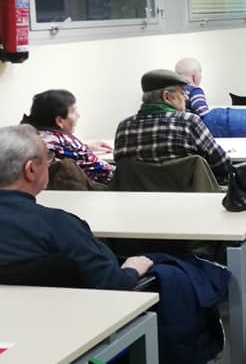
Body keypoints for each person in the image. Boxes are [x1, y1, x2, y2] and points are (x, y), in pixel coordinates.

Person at [0, 124, 153, 288]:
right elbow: (113, 282)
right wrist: (132, 269)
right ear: (30, 170)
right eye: (48, 157)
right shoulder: (58, 225)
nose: (50, 163)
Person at [114, 69, 233, 183]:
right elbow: (223, 165)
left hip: (137, 196)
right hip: (191, 196)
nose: (186, 98)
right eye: (182, 93)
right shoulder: (189, 122)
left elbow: (121, 168)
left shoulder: (124, 127)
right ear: (167, 97)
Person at [21, 89, 114, 186]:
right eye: (73, 111)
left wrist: (86, 147)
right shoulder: (67, 143)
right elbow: (106, 172)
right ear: (59, 121)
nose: (78, 115)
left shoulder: (30, 137)